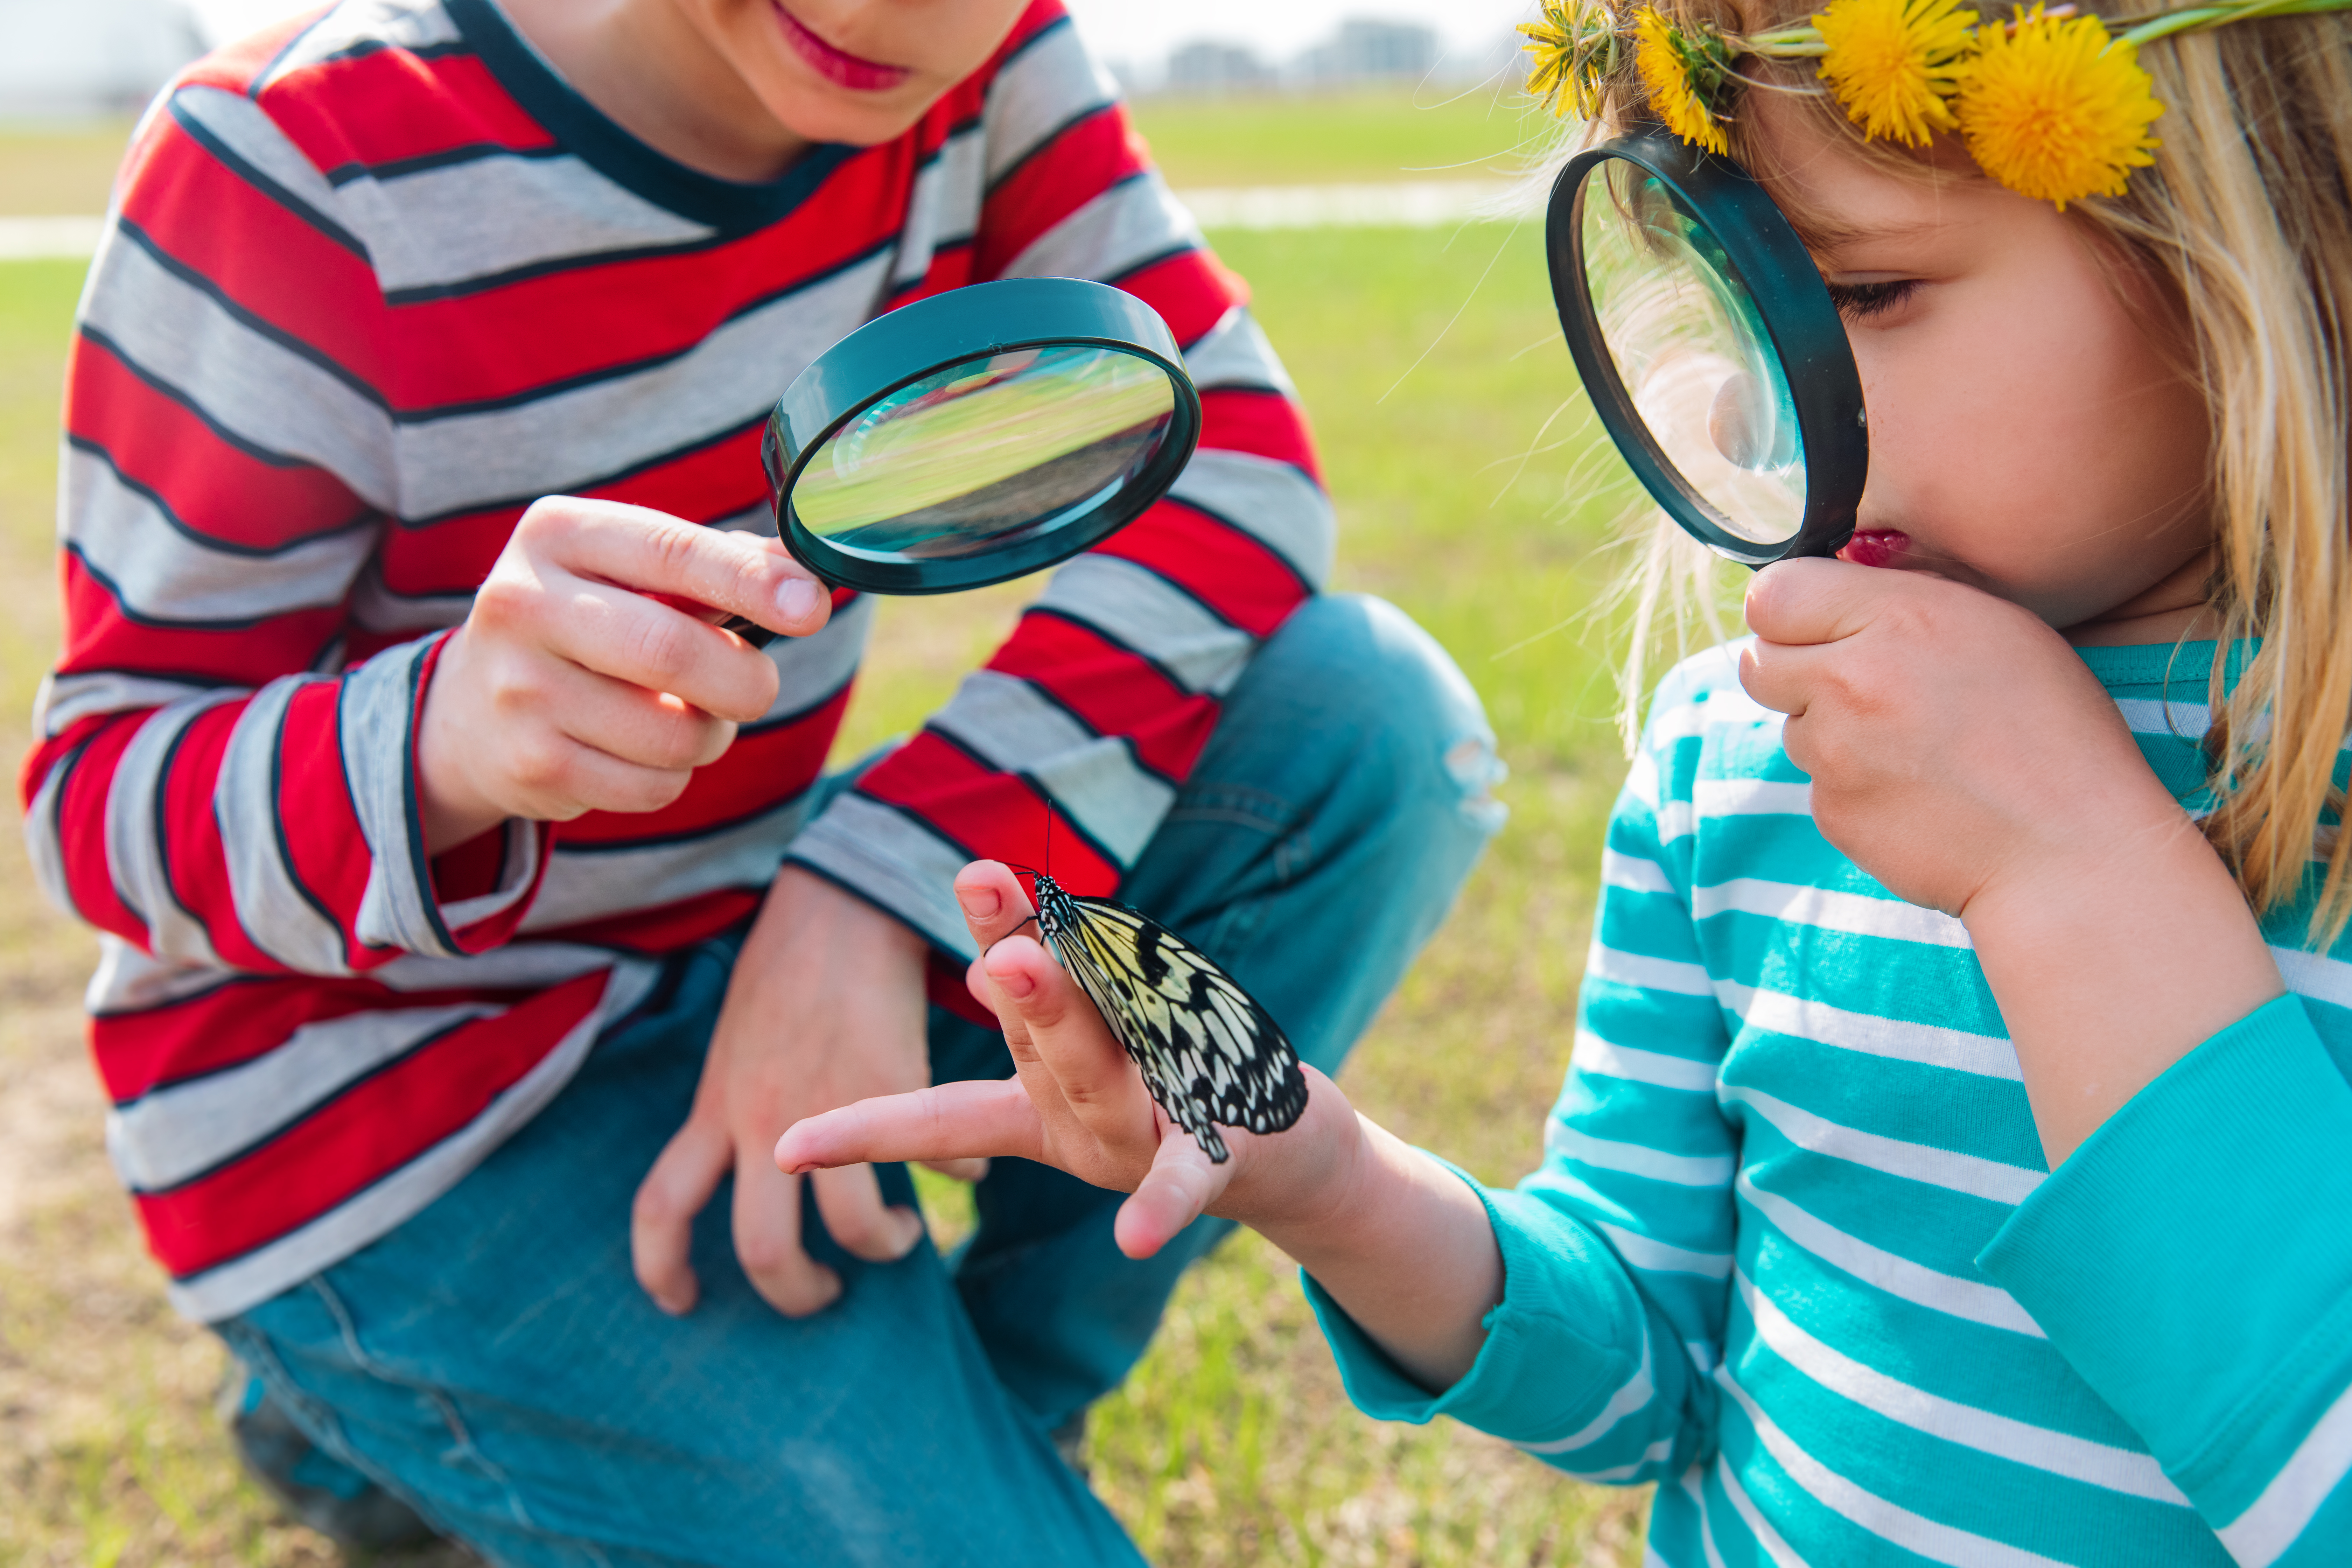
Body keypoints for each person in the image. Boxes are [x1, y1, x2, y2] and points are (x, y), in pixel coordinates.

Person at [780, 1, 2352, 1561]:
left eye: (1869, 288)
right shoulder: (1737, 758)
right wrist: (1321, 1172)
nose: (1750, 409)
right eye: (1735, 304)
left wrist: (2073, 874)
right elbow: (1649, 1379)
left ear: (2260, 227)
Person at [20, 0, 1504, 1560]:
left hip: (742, 949)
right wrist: (433, 741)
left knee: (1369, 722)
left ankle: (993, 1405)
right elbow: (99, 798)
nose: (881, 11)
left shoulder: (988, 70)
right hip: (403, 1113)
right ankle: (369, 1401)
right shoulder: (290, 164)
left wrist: (864, 893)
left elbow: (1238, 470)